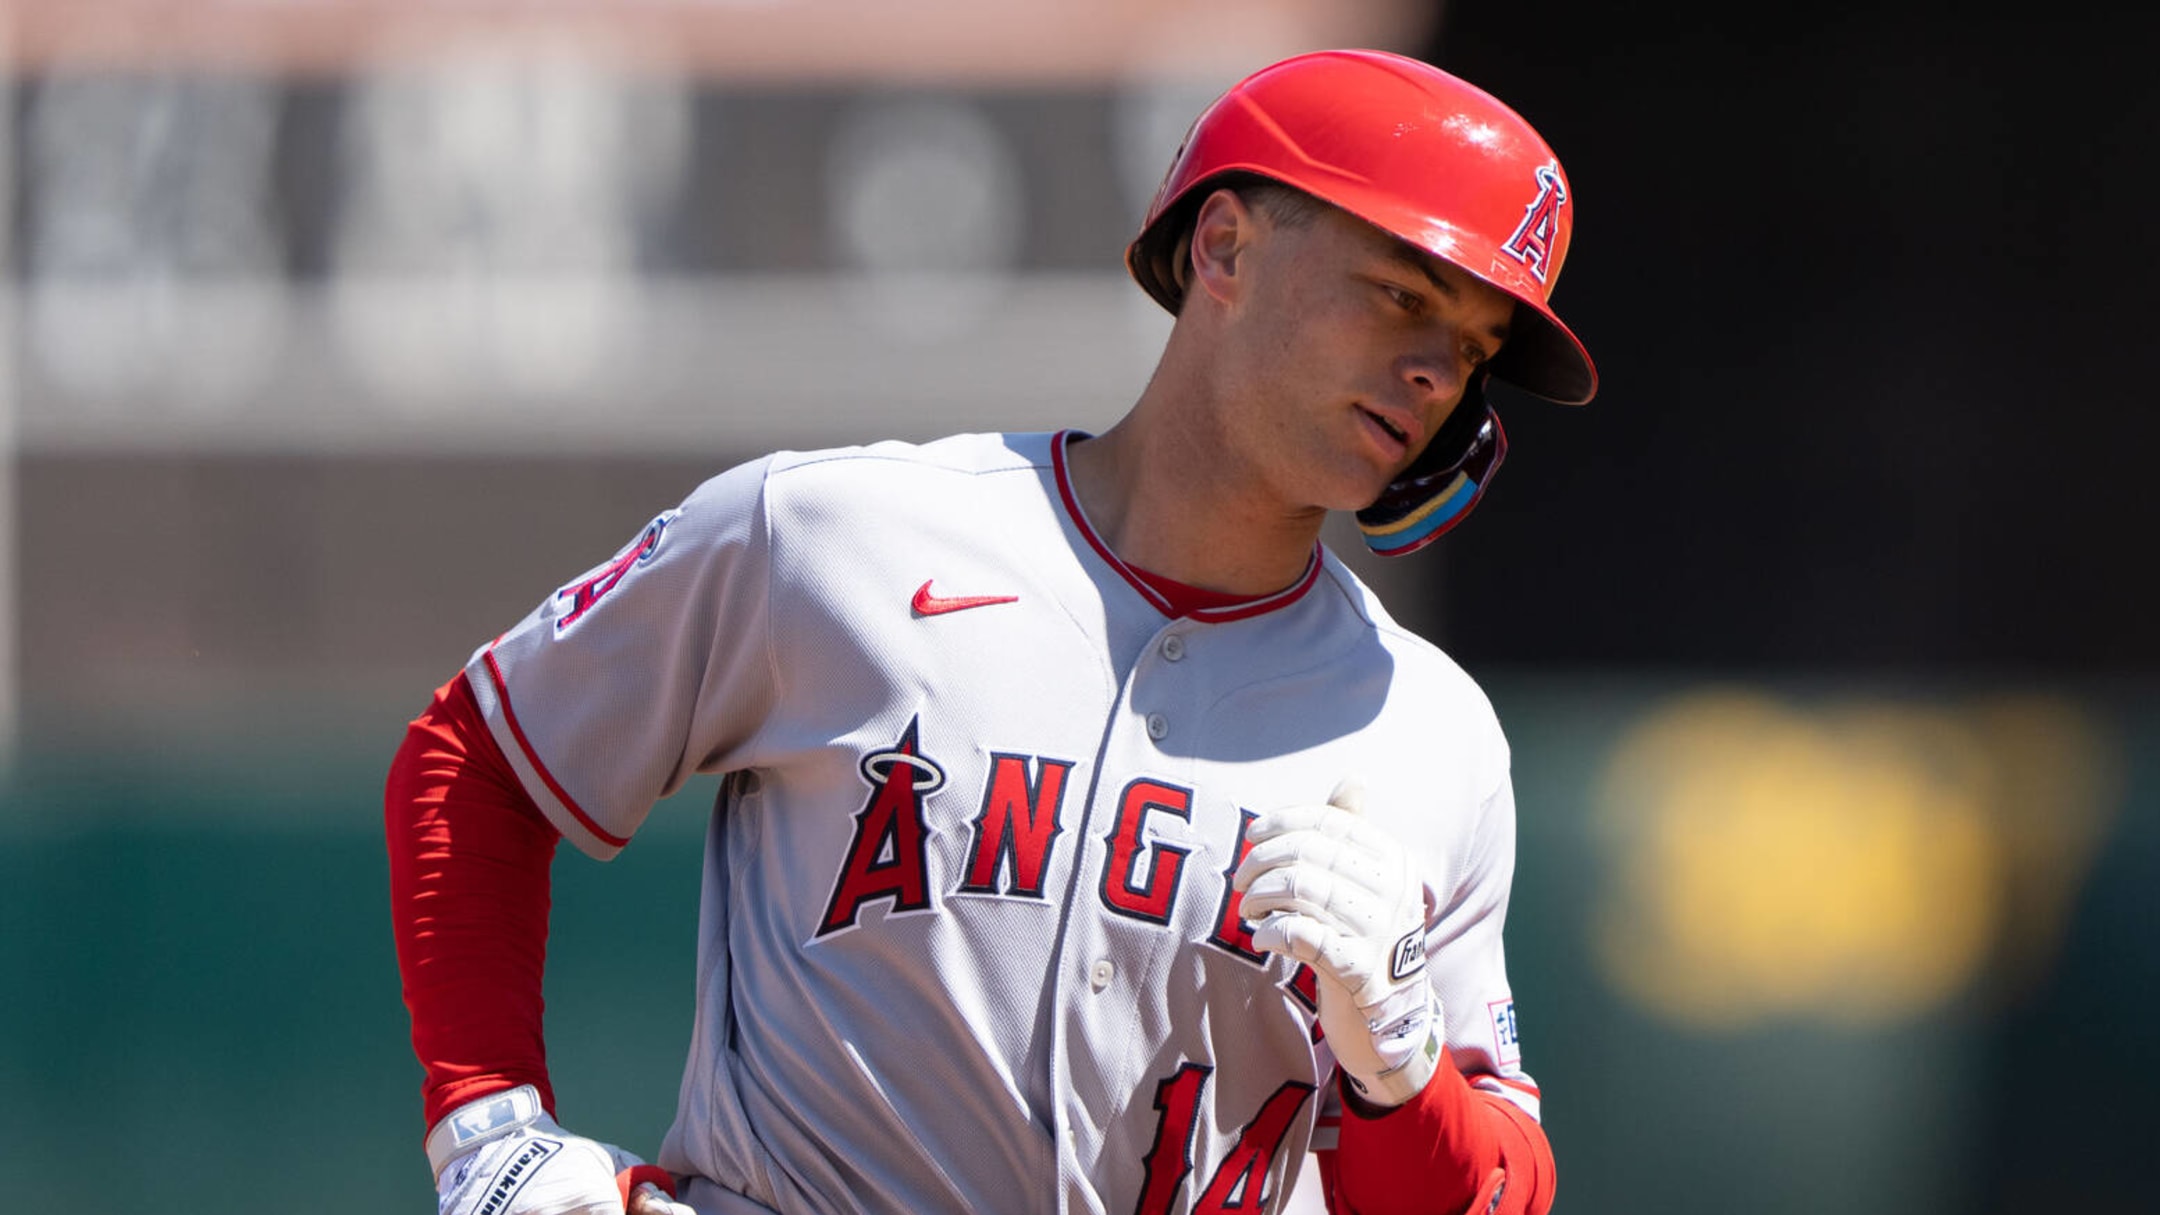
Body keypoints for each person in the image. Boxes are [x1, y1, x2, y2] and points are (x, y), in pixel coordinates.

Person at [386, 46, 1597, 1215]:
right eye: (1402, 294)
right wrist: (491, 1120)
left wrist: (1402, 1066)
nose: (1439, 370)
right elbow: (476, 755)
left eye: (1476, 344)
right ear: (1223, 245)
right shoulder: (833, 535)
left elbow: (1493, 1183)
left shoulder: (1428, 734)